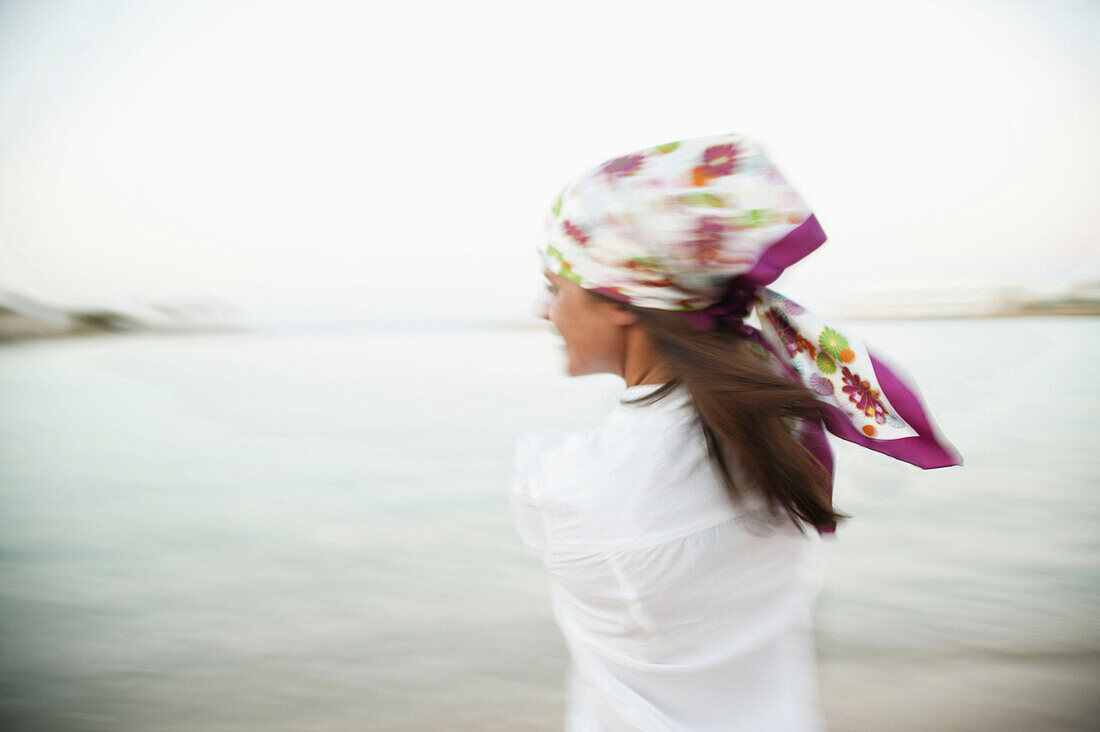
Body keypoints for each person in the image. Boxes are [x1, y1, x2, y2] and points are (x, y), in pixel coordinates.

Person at [508, 133, 961, 731]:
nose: (543, 312)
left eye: (555, 286)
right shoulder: (777, 431)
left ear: (620, 298)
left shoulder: (562, 482)